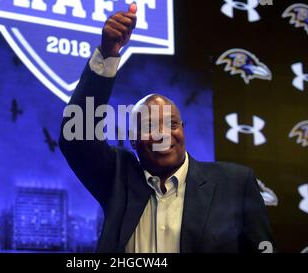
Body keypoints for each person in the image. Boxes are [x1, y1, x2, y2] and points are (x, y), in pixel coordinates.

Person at [59, 3, 273, 253]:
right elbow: (75, 139)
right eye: (150, 126)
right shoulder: (117, 178)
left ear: (183, 130)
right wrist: (107, 54)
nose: (163, 134)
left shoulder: (235, 183)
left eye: (172, 124)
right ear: (133, 141)